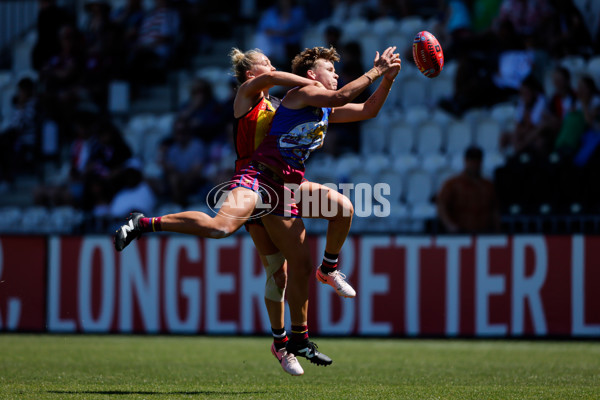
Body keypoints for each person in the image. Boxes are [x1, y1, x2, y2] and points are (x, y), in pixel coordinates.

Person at [114, 45, 400, 370]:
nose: (272, 67)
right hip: (253, 180)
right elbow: (279, 78)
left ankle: (292, 337)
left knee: (292, 265)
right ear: (252, 74)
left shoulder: (286, 104)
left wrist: (386, 80)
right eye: (265, 64)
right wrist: (324, 81)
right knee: (221, 228)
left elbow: (364, 110)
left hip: (284, 187)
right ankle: (144, 223)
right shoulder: (247, 95)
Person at [437, 146, 501, 233]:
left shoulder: (488, 185)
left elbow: (495, 210)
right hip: (461, 233)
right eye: (471, 160)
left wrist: (497, 230)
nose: (474, 164)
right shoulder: (453, 184)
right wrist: (450, 225)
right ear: (465, 161)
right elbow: (442, 206)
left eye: (477, 160)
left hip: (484, 233)